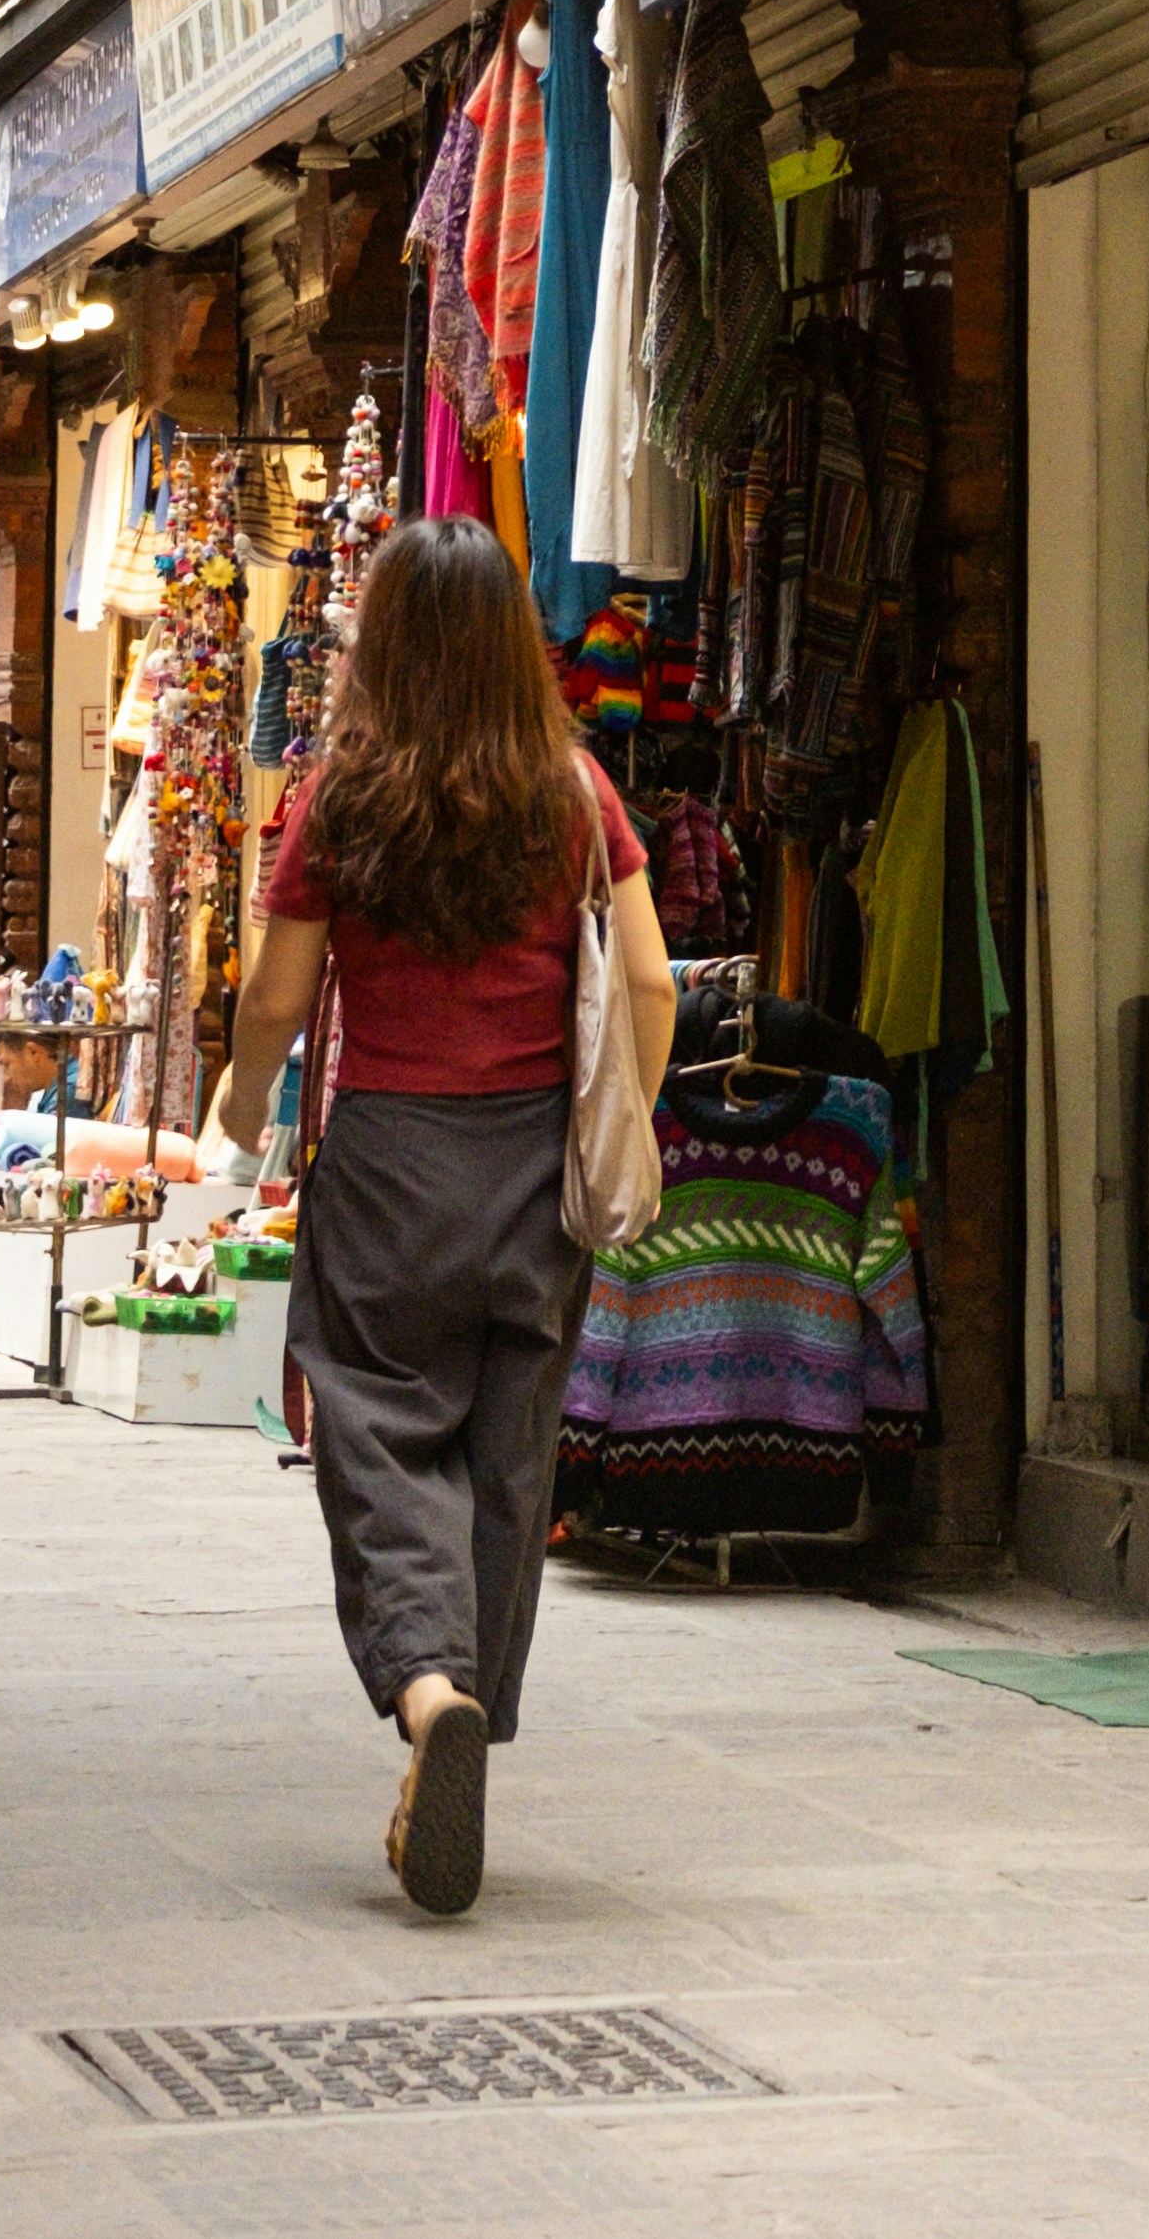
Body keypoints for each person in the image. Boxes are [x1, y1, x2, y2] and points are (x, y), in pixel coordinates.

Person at [211, 518, 674, 1919]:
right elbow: (649, 987)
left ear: (388, 644)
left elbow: (280, 999)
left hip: (392, 1159)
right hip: (537, 1173)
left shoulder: (337, 798)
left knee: (372, 1428)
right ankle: (465, 1697)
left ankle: (428, 1692)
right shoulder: (574, 791)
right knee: (503, 1456)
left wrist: (237, 1108)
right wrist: (621, 1122)